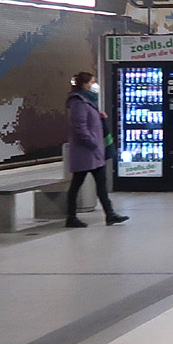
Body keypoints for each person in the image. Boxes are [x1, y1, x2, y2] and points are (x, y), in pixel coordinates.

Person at [65, 73, 129, 228]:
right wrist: (93, 143)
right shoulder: (78, 102)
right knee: (77, 184)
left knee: (100, 183)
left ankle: (110, 214)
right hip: (86, 151)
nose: (95, 84)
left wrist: (99, 117)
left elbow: (88, 120)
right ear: (85, 84)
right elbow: (79, 126)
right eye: (93, 82)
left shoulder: (88, 101)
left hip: (92, 151)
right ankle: (71, 217)